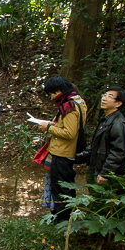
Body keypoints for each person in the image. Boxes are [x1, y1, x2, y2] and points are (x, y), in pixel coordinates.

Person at [32, 77, 87, 224]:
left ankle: (62, 220)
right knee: (65, 187)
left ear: (58, 91)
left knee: (61, 189)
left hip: (63, 153)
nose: (51, 98)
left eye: (51, 94)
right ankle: (63, 218)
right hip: (65, 152)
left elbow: (69, 133)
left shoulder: (69, 106)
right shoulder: (79, 101)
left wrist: (49, 127)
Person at [77, 86, 125, 187]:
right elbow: (97, 147)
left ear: (118, 103)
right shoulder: (105, 119)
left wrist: (105, 173)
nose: (104, 98)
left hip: (105, 174)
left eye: (110, 96)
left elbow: (119, 152)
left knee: (103, 201)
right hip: (96, 169)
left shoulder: (118, 123)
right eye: (104, 95)